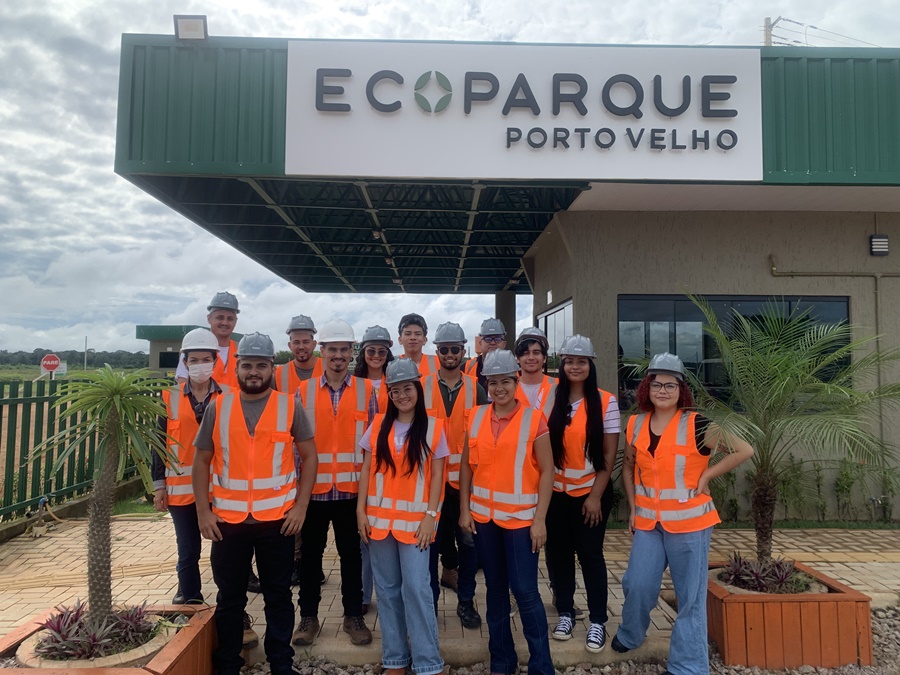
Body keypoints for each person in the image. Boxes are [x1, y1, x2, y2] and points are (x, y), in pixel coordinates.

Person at [611, 352, 754, 675]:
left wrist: (706, 477)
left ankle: (687, 666)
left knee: (690, 597)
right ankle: (632, 633)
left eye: (670, 385)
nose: (662, 390)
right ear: (646, 388)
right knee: (637, 582)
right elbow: (630, 467)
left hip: (690, 524)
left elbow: (744, 450)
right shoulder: (634, 423)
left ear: (681, 390)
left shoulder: (698, 423)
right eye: (656, 384)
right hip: (649, 522)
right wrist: (633, 508)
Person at [192, 332, 318, 675]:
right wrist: (203, 511)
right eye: (247, 365)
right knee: (229, 599)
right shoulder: (219, 407)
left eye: (261, 365)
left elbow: (309, 457)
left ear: (271, 368)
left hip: (277, 522)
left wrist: (301, 507)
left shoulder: (289, 405)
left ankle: (281, 663)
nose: (254, 371)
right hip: (228, 524)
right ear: (237, 367)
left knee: (278, 597)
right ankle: (228, 664)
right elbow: (201, 461)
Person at [459, 350, 555, 675]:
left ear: (516, 381)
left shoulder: (534, 419)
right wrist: (464, 510)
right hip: (484, 520)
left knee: (525, 591)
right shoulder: (474, 417)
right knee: (495, 591)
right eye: (492, 382)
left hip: (522, 522)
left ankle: (541, 666)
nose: (499, 388)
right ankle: (502, 661)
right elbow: (466, 468)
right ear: (486, 384)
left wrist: (540, 519)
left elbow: (547, 471)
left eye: (505, 381)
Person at [357, 359, 447, 675]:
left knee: (418, 589)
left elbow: (438, 476)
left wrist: (431, 516)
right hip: (379, 524)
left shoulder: (434, 427)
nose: (401, 395)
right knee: (388, 590)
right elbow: (367, 469)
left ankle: (427, 662)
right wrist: (360, 512)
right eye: (395, 390)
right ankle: (395, 659)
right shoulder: (379, 424)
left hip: (415, 526)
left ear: (417, 390)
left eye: (407, 388)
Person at [293, 319, 377, 647]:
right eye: (332, 349)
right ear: (321, 352)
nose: (338, 355)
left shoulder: (368, 392)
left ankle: (353, 616)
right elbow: (296, 447)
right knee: (310, 558)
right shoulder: (303, 392)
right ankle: (308, 618)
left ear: (352, 352)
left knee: (351, 557)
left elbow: (373, 447)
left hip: (352, 493)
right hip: (313, 493)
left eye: (344, 349)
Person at [544, 335, 619, 652]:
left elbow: (608, 456)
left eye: (581, 361)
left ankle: (598, 620)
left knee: (590, 556)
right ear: (561, 365)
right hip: (556, 496)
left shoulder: (606, 402)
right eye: (569, 361)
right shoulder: (550, 399)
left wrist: (594, 497)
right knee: (558, 556)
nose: (575, 366)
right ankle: (564, 612)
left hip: (591, 495)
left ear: (591, 365)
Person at [423, 322, 487, 629]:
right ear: (437, 352)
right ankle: (430, 605)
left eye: (455, 349)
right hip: (429, 484)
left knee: (468, 545)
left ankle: (465, 603)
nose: (450, 354)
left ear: (464, 351)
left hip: (466, 483)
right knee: (431, 544)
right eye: (444, 349)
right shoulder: (420, 387)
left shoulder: (478, 389)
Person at [353, 324, 396, 613]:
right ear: (363, 353)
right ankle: (363, 595)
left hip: (391, 466)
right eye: (371, 350)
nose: (377, 355)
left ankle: (389, 593)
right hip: (361, 467)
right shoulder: (354, 384)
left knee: (384, 535)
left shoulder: (397, 380)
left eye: (382, 351)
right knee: (364, 539)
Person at [176, 291, 240, 389]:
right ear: (209, 319)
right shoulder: (194, 346)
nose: (225, 322)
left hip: (236, 404)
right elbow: (182, 384)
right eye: (220, 317)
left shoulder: (240, 351)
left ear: (235, 321)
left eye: (230, 319)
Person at [514, 326, 556, 417]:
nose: (531, 357)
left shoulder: (558, 386)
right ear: (518, 358)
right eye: (525, 353)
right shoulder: (509, 388)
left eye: (536, 352)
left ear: (544, 358)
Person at [276, 315, 323, 393]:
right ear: (290, 345)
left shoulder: (328, 369)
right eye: (296, 342)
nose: (301, 347)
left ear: (314, 344)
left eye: (306, 342)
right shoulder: (279, 374)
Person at [463, 318, 507, 391]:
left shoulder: (517, 369)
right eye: (488, 339)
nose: (493, 343)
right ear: (480, 343)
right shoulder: (466, 369)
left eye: (498, 339)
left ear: (504, 344)